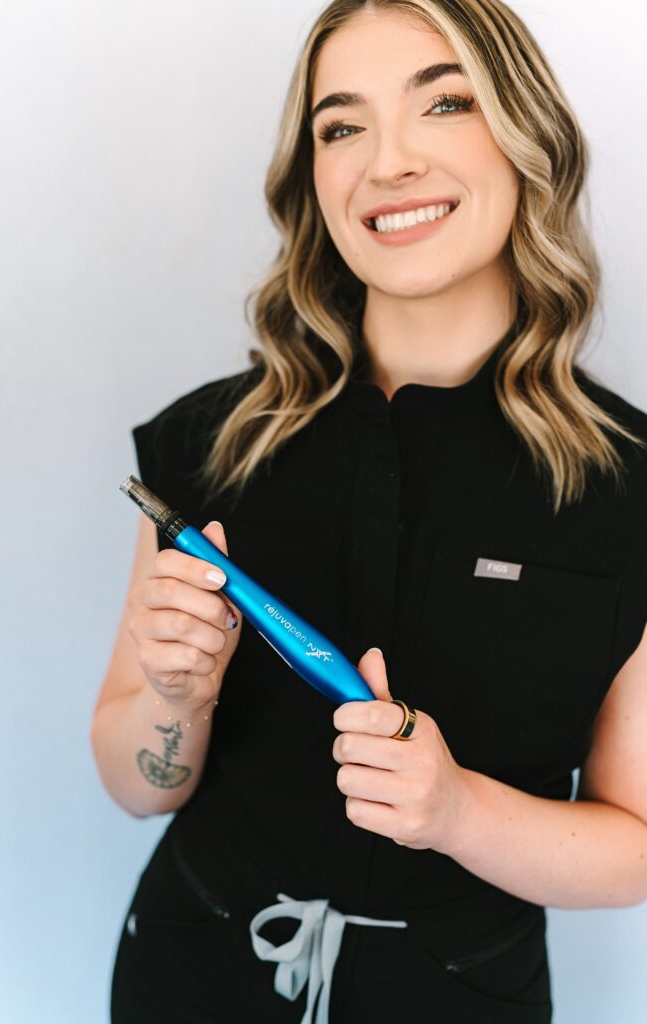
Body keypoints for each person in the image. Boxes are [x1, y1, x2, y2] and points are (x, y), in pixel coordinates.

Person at [91, 2, 647, 1021]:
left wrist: (458, 811)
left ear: (526, 136)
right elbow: (137, 782)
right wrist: (176, 697)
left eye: (445, 103)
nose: (389, 162)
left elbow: (638, 845)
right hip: (188, 976)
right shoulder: (208, 445)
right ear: (314, 180)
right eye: (342, 126)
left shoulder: (635, 487)